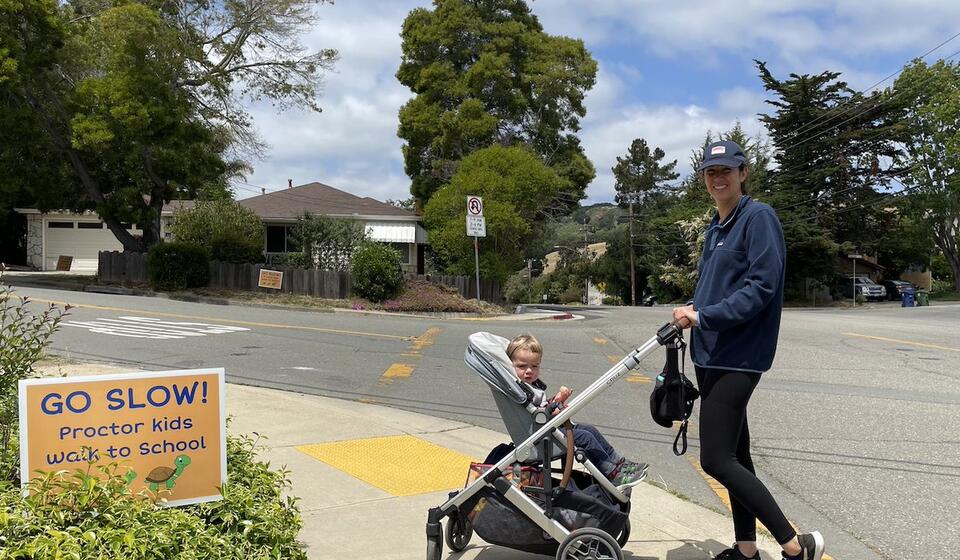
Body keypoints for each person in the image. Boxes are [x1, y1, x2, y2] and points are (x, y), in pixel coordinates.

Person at [672, 140, 825, 560]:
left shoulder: (758, 218)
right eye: (710, 172)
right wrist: (689, 309)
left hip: (738, 356)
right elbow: (711, 290)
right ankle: (746, 549)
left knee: (716, 460)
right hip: (710, 354)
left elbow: (762, 288)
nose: (718, 178)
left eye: (726, 170)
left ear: (743, 173)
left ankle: (796, 546)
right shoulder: (716, 227)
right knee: (738, 454)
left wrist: (701, 317)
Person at [506, 333, 646, 487]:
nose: (529, 371)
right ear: (510, 364)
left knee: (589, 429)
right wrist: (556, 405)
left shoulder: (529, 386)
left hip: (546, 428)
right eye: (521, 366)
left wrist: (557, 401)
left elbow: (539, 409)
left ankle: (620, 465)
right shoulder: (518, 390)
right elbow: (537, 414)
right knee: (585, 438)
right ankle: (612, 474)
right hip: (538, 438)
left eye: (534, 366)